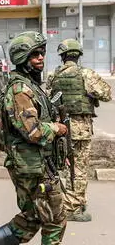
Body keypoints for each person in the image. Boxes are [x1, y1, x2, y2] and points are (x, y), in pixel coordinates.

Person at [0, 31, 67, 245]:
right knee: (54, 221)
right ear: (22, 58)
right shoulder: (20, 90)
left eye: (42, 53)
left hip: (35, 164)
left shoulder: (29, 84)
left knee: (31, 219)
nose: (41, 58)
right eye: (35, 54)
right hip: (32, 168)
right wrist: (57, 128)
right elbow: (33, 131)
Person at [47, 38, 111, 222]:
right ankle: (73, 208)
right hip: (80, 129)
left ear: (62, 56)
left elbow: (49, 97)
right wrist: (89, 94)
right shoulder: (86, 74)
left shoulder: (54, 75)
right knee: (79, 168)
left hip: (60, 129)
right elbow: (106, 94)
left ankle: (67, 202)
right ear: (78, 56)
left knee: (65, 167)